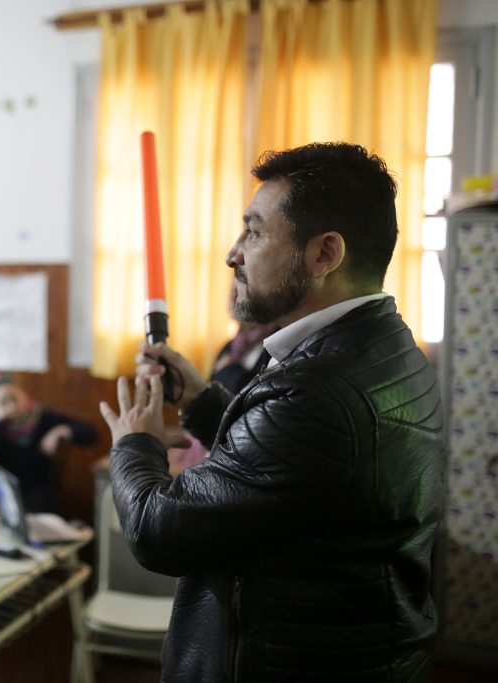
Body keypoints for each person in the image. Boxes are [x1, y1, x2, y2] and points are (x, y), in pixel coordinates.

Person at [99, 143, 443, 682]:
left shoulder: (320, 391)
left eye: (255, 232)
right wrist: (201, 400)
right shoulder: (385, 346)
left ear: (325, 254)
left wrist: (134, 442)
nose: (233, 254)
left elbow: (156, 531)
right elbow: (290, 479)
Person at [0, 382, 97, 513]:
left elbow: (90, 434)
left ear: (23, 397)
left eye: (14, 399)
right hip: (5, 486)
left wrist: (60, 431)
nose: (11, 406)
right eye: (4, 402)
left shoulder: (42, 417)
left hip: (37, 488)